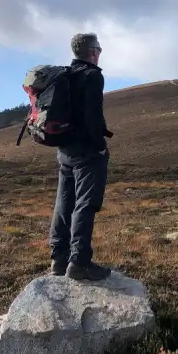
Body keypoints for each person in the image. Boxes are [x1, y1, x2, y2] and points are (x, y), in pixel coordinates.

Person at [48, 32, 114, 281]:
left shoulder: (65, 75)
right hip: (87, 152)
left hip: (65, 150)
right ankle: (80, 262)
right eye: (99, 48)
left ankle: (58, 259)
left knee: (64, 204)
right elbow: (93, 117)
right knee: (85, 204)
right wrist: (100, 147)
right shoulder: (93, 76)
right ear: (93, 51)